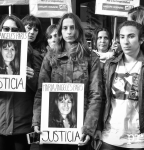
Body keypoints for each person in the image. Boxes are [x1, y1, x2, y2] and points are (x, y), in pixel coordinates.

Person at [33, 13, 103, 150]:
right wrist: (36, 121)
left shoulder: (91, 57)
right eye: (65, 28)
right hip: (52, 125)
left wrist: (88, 128)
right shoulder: (50, 56)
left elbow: (95, 95)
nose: (69, 32)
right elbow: (41, 92)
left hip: (80, 127)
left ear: (79, 30)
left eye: (73, 27)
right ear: (60, 32)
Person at [95, 21, 144, 150]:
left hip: (140, 139)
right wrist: (98, 127)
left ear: (141, 39)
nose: (125, 41)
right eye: (122, 37)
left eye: (131, 36)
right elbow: (102, 99)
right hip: (110, 137)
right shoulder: (110, 65)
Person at [0, 14, 40, 150]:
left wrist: (32, 78)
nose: (10, 33)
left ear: (21, 32)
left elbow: (41, 93)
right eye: (6, 29)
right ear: (0, 31)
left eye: (14, 30)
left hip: (24, 125)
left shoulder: (34, 57)